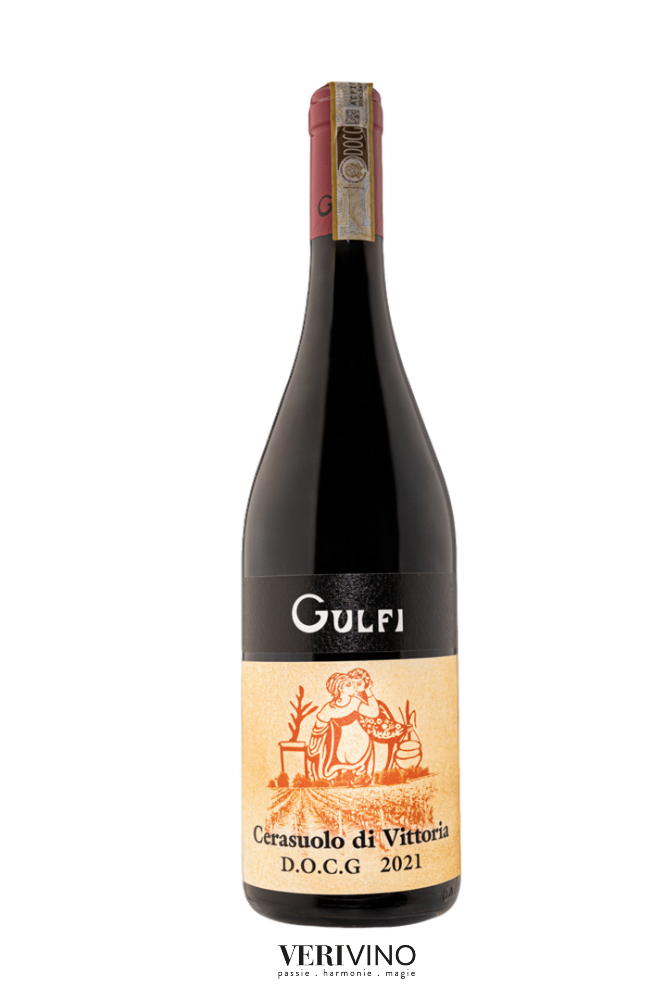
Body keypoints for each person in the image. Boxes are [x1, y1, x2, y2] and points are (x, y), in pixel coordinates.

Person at [307, 672, 380, 781]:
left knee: (354, 760)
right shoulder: (329, 708)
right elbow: (318, 730)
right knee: (331, 770)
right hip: (341, 746)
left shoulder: (354, 701)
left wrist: (368, 690)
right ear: (340, 688)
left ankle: (357, 773)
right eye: (349, 685)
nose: (353, 687)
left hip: (360, 742)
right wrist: (314, 747)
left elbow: (373, 713)